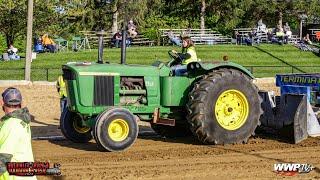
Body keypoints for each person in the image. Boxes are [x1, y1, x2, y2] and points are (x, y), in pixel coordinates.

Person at [0, 87, 36, 180]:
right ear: (21, 103)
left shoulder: (11, 124)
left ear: (2, 103)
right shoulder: (22, 120)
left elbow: (3, 158)